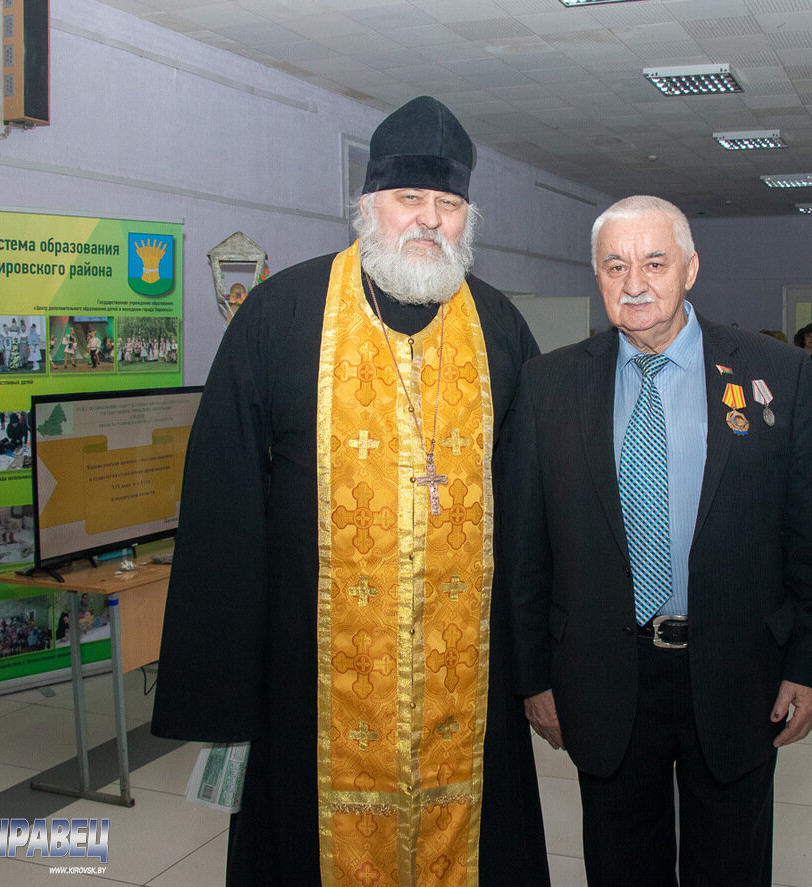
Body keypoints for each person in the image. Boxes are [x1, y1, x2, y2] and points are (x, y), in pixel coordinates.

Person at [152, 96, 549, 887]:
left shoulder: (500, 329)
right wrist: (226, 692)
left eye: (448, 203)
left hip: (467, 687)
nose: (428, 219)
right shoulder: (282, 315)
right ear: (367, 206)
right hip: (312, 678)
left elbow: (535, 511)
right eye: (409, 197)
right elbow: (226, 500)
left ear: (467, 217)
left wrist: (539, 666)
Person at [500, 195, 812, 887]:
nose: (634, 283)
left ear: (690, 269)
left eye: (655, 263)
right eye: (615, 265)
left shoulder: (772, 374)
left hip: (738, 669)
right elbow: (525, 550)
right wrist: (533, 675)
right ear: (597, 276)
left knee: (732, 864)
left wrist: (810, 663)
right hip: (604, 671)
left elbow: (809, 533)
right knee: (622, 865)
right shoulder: (548, 385)